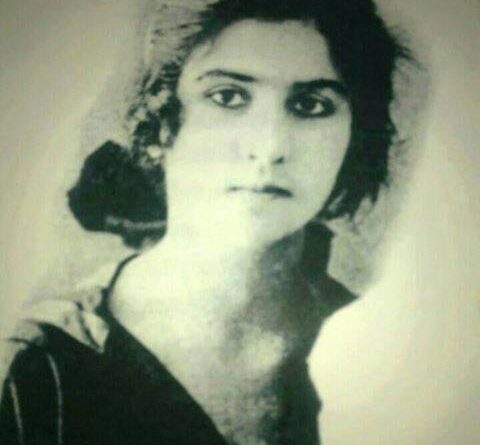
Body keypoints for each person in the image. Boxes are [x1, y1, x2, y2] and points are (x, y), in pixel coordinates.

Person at [0, 1, 410, 444]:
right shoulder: (41, 370)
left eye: (310, 105)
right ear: (161, 124)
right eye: (228, 97)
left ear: (354, 136)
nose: (270, 145)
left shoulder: (384, 355)